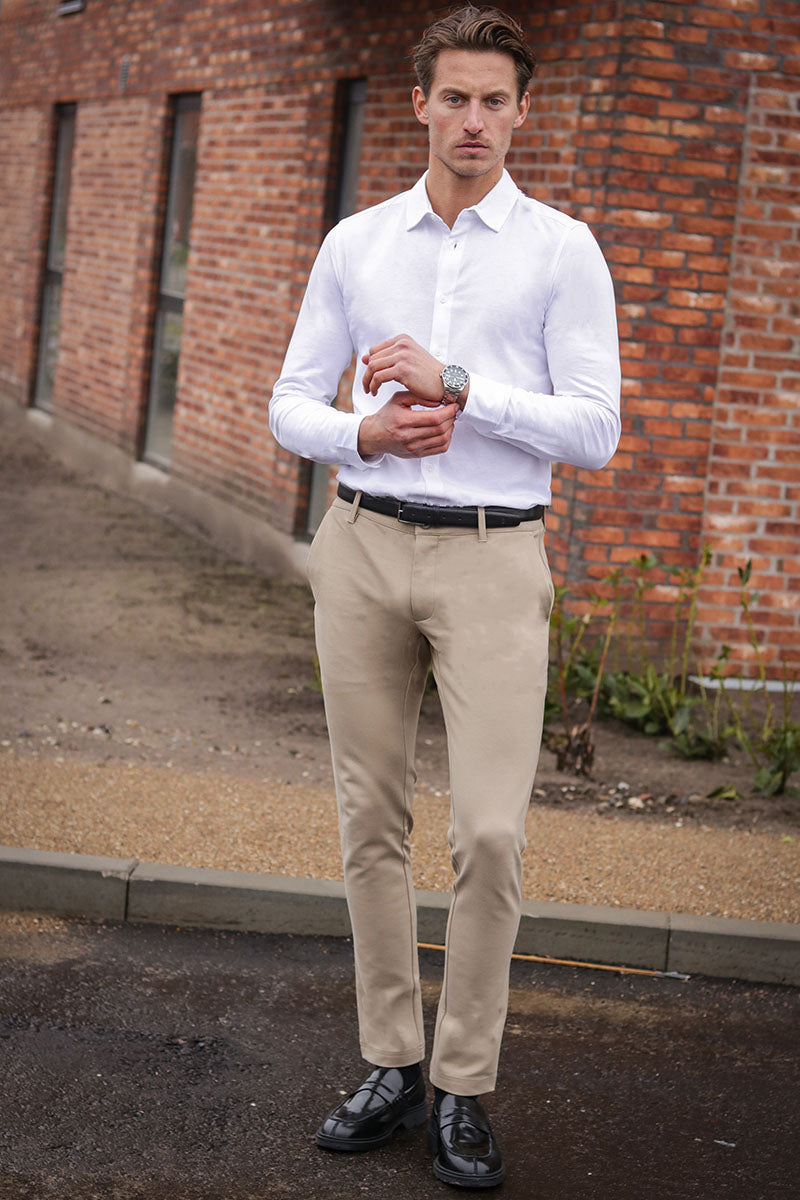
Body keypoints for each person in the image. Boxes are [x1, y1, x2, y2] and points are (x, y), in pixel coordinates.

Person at [269, 4, 620, 1188]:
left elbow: (596, 431)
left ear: (522, 112)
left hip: (491, 557)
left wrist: (458, 383)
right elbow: (289, 404)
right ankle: (392, 1065)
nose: (473, 119)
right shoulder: (356, 243)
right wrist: (362, 432)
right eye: (454, 97)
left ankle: (463, 1085)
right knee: (368, 821)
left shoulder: (561, 251)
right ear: (419, 103)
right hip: (362, 547)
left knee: (487, 833)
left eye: (493, 100)